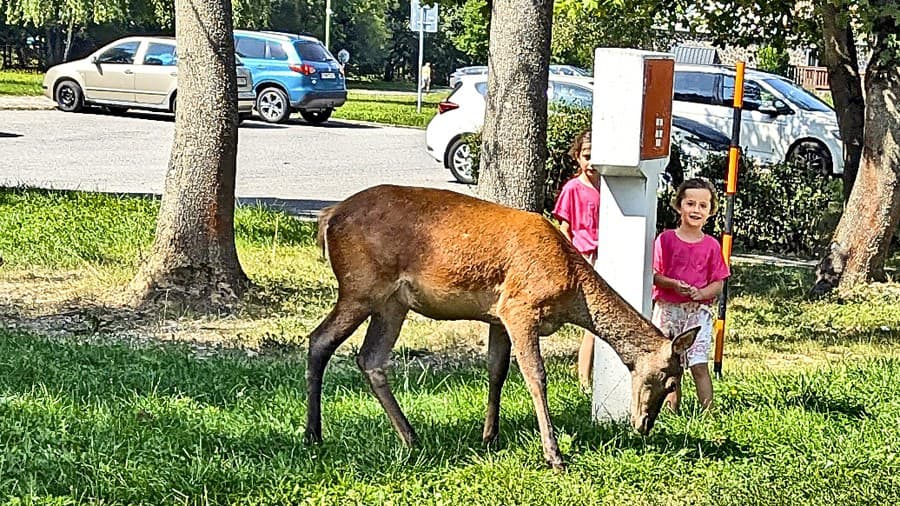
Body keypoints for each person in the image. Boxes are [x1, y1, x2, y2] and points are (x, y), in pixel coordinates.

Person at [652, 177, 730, 411]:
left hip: (698, 314)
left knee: (698, 364)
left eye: (703, 205)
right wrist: (673, 285)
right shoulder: (665, 239)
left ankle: (709, 413)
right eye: (690, 203)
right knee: (669, 364)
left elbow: (719, 282)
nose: (696, 210)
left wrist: (701, 293)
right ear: (679, 205)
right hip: (668, 310)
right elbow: (654, 275)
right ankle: (670, 411)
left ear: (710, 211)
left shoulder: (712, 246)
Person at [552, 129, 599, 392]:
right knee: (590, 322)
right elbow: (564, 228)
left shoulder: (611, 188)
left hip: (606, 257)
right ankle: (584, 381)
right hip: (583, 257)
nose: (591, 163)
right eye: (587, 156)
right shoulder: (573, 188)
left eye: (596, 157)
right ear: (577, 157)